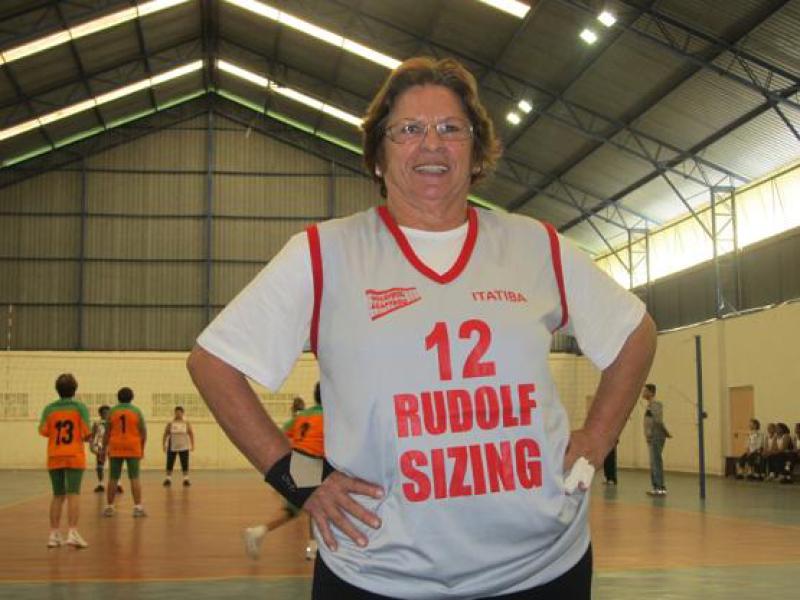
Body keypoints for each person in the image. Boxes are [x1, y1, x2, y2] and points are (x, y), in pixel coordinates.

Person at [187, 56, 656, 600]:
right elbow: (213, 363)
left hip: (544, 567)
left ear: (475, 152)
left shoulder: (535, 245)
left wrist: (597, 438)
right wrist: (301, 480)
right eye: (408, 129)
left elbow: (635, 332)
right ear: (378, 155)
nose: (431, 144)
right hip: (378, 574)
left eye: (451, 129)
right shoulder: (323, 254)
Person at [38, 373, 91, 548]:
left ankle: (53, 535)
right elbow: (86, 432)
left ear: (57, 390)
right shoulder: (80, 408)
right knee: (73, 493)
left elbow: (43, 431)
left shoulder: (49, 409)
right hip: (74, 455)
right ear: (75, 389)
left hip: (55, 454)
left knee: (58, 495)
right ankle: (72, 533)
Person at [103, 387, 147, 517]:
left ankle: (109, 507)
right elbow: (143, 432)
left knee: (113, 478)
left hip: (115, 446)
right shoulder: (136, 411)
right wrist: (142, 448)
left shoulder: (112, 412)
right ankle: (137, 507)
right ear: (132, 398)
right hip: (133, 447)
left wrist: (104, 448)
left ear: (118, 397)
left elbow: (107, 432)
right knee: (134, 478)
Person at [643, 383, 671, 496]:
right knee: (653, 462)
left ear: (651, 392)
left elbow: (658, 421)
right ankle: (656, 487)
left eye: (645, 391)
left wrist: (665, 432)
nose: (643, 393)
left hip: (656, 436)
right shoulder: (649, 405)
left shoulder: (656, 404)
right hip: (652, 437)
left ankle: (660, 487)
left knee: (656, 462)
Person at [162, 406, 195, 487]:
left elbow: (191, 434)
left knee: (184, 462)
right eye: (176, 412)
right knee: (170, 462)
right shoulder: (171, 423)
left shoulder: (186, 423)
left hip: (184, 446)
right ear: (175, 413)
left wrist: (192, 445)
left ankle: (186, 479)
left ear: (183, 413)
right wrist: (164, 444)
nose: (178, 414)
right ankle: (168, 479)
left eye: (180, 412)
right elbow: (165, 434)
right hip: (172, 445)